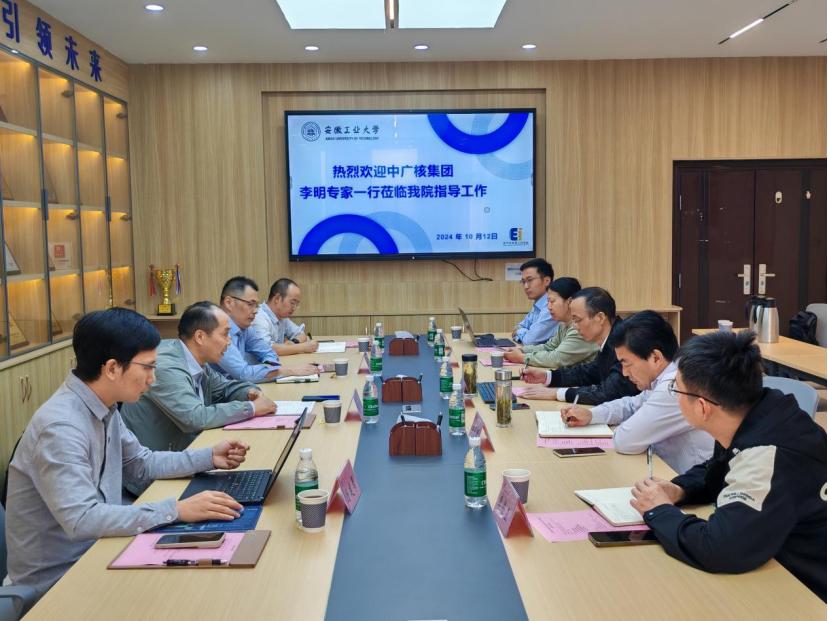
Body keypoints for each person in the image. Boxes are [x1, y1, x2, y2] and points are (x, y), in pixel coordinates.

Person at [4, 308, 249, 599]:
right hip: (60, 583)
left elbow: (141, 463)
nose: (153, 379)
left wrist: (208, 457)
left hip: (102, 549)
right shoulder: (61, 426)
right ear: (112, 368)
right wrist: (176, 510)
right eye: (148, 367)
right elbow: (83, 519)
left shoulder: (104, 406)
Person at [630, 331, 826, 601]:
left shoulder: (766, 454)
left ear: (702, 407)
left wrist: (659, 511)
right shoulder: (755, 411)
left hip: (805, 587)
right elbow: (719, 469)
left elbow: (719, 548)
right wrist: (681, 490)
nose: (674, 397)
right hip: (777, 557)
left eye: (676, 389)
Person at [560, 311, 713, 473]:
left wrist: (624, 427)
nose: (624, 373)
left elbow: (625, 441)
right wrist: (592, 415)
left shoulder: (674, 386)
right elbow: (631, 405)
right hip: (664, 471)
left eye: (627, 364)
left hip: (686, 479)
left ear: (655, 358)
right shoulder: (664, 375)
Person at [121, 301, 277, 454]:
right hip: (153, 463)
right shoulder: (166, 366)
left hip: (184, 451)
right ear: (200, 337)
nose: (229, 342)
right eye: (225, 334)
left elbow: (225, 388)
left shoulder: (197, 361)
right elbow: (195, 418)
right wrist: (251, 408)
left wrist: (249, 392)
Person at [521, 287, 638, 404]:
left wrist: (557, 393)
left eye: (577, 320)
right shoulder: (611, 338)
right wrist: (548, 376)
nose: (574, 326)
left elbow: (609, 392)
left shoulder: (625, 342)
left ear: (600, 318)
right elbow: (590, 372)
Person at [213, 276, 318, 382]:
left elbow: (268, 352)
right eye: (250, 304)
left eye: (256, 305)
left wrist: (271, 369)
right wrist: (289, 370)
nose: (255, 311)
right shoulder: (217, 331)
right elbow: (243, 374)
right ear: (229, 303)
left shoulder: (245, 327)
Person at [502, 277, 598, 369]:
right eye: (548, 302)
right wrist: (522, 350)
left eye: (552, 301)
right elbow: (549, 347)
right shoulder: (563, 324)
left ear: (569, 302)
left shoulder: (580, 328)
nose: (549, 307)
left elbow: (557, 359)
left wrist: (522, 358)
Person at [251, 278, 318, 356]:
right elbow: (266, 348)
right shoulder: (259, 317)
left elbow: (301, 334)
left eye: (297, 304)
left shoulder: (282, 317)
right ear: (277, 299)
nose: (294, 308)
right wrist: (302, 347)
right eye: (292, 303)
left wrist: (293, 343)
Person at [512, 258, 559, 345]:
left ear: (546, 281)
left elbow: (530, 340)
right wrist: (524, 332)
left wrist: (520, 333)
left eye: (530, 280)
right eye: (523, 282)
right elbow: (519, 326)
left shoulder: (551, 307)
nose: (526, 286)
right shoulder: (538, 304)